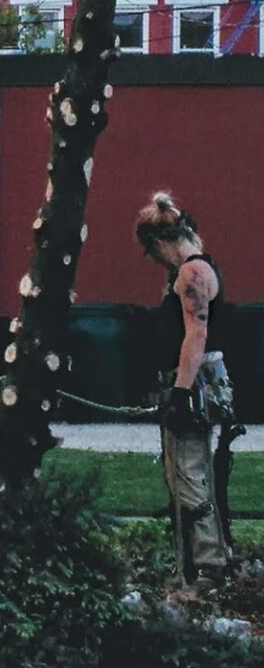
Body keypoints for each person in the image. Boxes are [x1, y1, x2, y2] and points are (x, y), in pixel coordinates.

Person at [135, 190, 241, 588]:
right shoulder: (200, 265)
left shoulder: (190, 274)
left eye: (152, 253)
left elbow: (196, 337)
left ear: (159, 243)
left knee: (188, 473)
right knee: (193, 472)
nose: (155, 262)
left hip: (193, 384)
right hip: (200, 381)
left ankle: (207, 568)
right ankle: (209, 558)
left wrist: (179, 394)